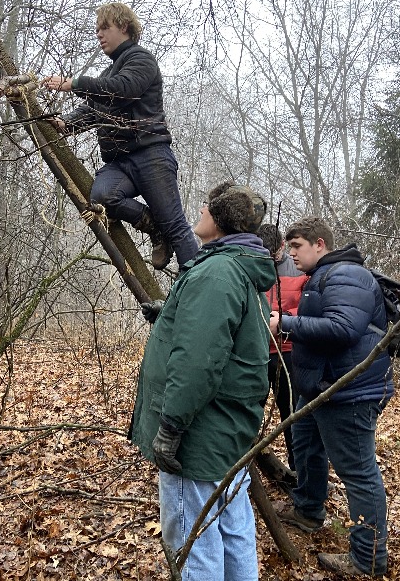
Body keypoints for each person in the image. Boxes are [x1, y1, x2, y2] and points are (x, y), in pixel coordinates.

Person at [130, 182, 275, 580]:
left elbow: (199, 362)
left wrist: (172, 426)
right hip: (227, 427)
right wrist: (173, 311)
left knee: (193, 539)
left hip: (199, 432)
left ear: (220, 219)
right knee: (231, 525)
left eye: (207, 206)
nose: (200, 210)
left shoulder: (217, 273)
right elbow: (221, 335)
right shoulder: (238, 266)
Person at [272, 216, 393, 577]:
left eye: (297, 246)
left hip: (348, 393)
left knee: (358, 472)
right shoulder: (325, 276)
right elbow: (329, 318)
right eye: (289, 247)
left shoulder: (346, 274)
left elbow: (343, 328)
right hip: (321, 389)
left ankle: (368, 559)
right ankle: (308, 511)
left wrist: (287, 324)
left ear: (319, 243)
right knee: (306, 446)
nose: (291, 254)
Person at [41, 2, 198, 270]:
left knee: (175, 225)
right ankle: (153, 227)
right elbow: (93, 111)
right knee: (101, 197)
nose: (99, 35)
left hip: (151, 155)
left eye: (105, 28)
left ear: (124, 27)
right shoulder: (107, 73)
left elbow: (122, 89)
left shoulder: (141, 59)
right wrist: (64, 123)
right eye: (97, 30)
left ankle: (196, 285)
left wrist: (75, 83)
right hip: (119, 162)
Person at [256, 223, 307, 474]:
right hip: (256, 353)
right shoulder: (254, 265)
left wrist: (284, 319)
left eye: (274, 254)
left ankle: (299, 472)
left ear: (282, 247)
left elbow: (311, 310)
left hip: (288, 352)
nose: (270, 259)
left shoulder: (299, 269)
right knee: (249, 412)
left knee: (292, 416)